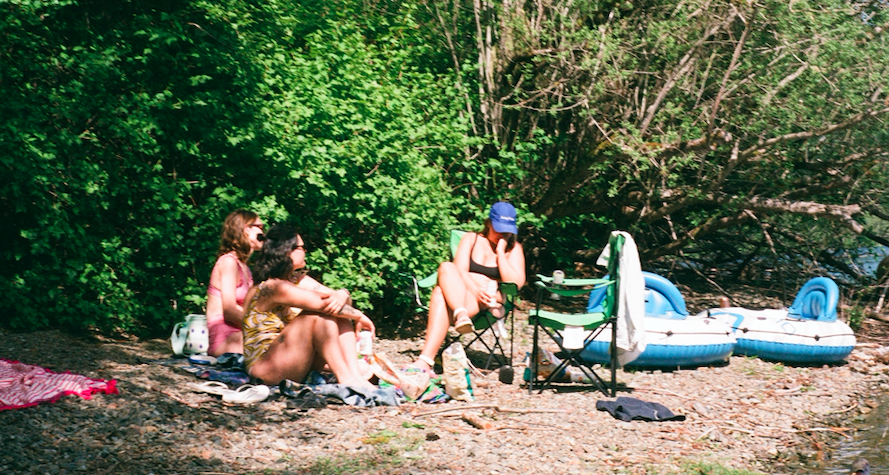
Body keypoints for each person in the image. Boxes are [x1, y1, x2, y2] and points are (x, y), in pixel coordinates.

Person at [242, 224, 375, 388]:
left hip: (293, 361)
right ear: (286, 250)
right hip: (266, 370)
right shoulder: (272, 287)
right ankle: (346, 379)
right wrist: (360, 316)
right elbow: (323, 304)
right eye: (302, 247)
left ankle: (355, 376)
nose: (305, 251)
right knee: (318, 315)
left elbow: (337, 301)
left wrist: (342, 294)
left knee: (338, 313)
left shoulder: (297, 279)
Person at [413, 202, 526, 372]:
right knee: (446, 266)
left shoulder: (513, 249)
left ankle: (425, 361)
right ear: (488, 223)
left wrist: (501, 253)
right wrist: (474, 289)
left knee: (438, 293)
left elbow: (516, 283)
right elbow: (459, 270)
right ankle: (461, 315)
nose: (502, 235)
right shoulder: (471, 238)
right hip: (462, 294)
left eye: (507, 231)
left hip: (484, 303)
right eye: (498, 229)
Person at [206, 209, 265, 357]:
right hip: (226, 340)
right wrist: (262, 327)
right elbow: (230, 311)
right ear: (246, 229)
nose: (264, 233)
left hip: (242, 335)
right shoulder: (229, 263)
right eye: (260, 227)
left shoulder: (245, 267)